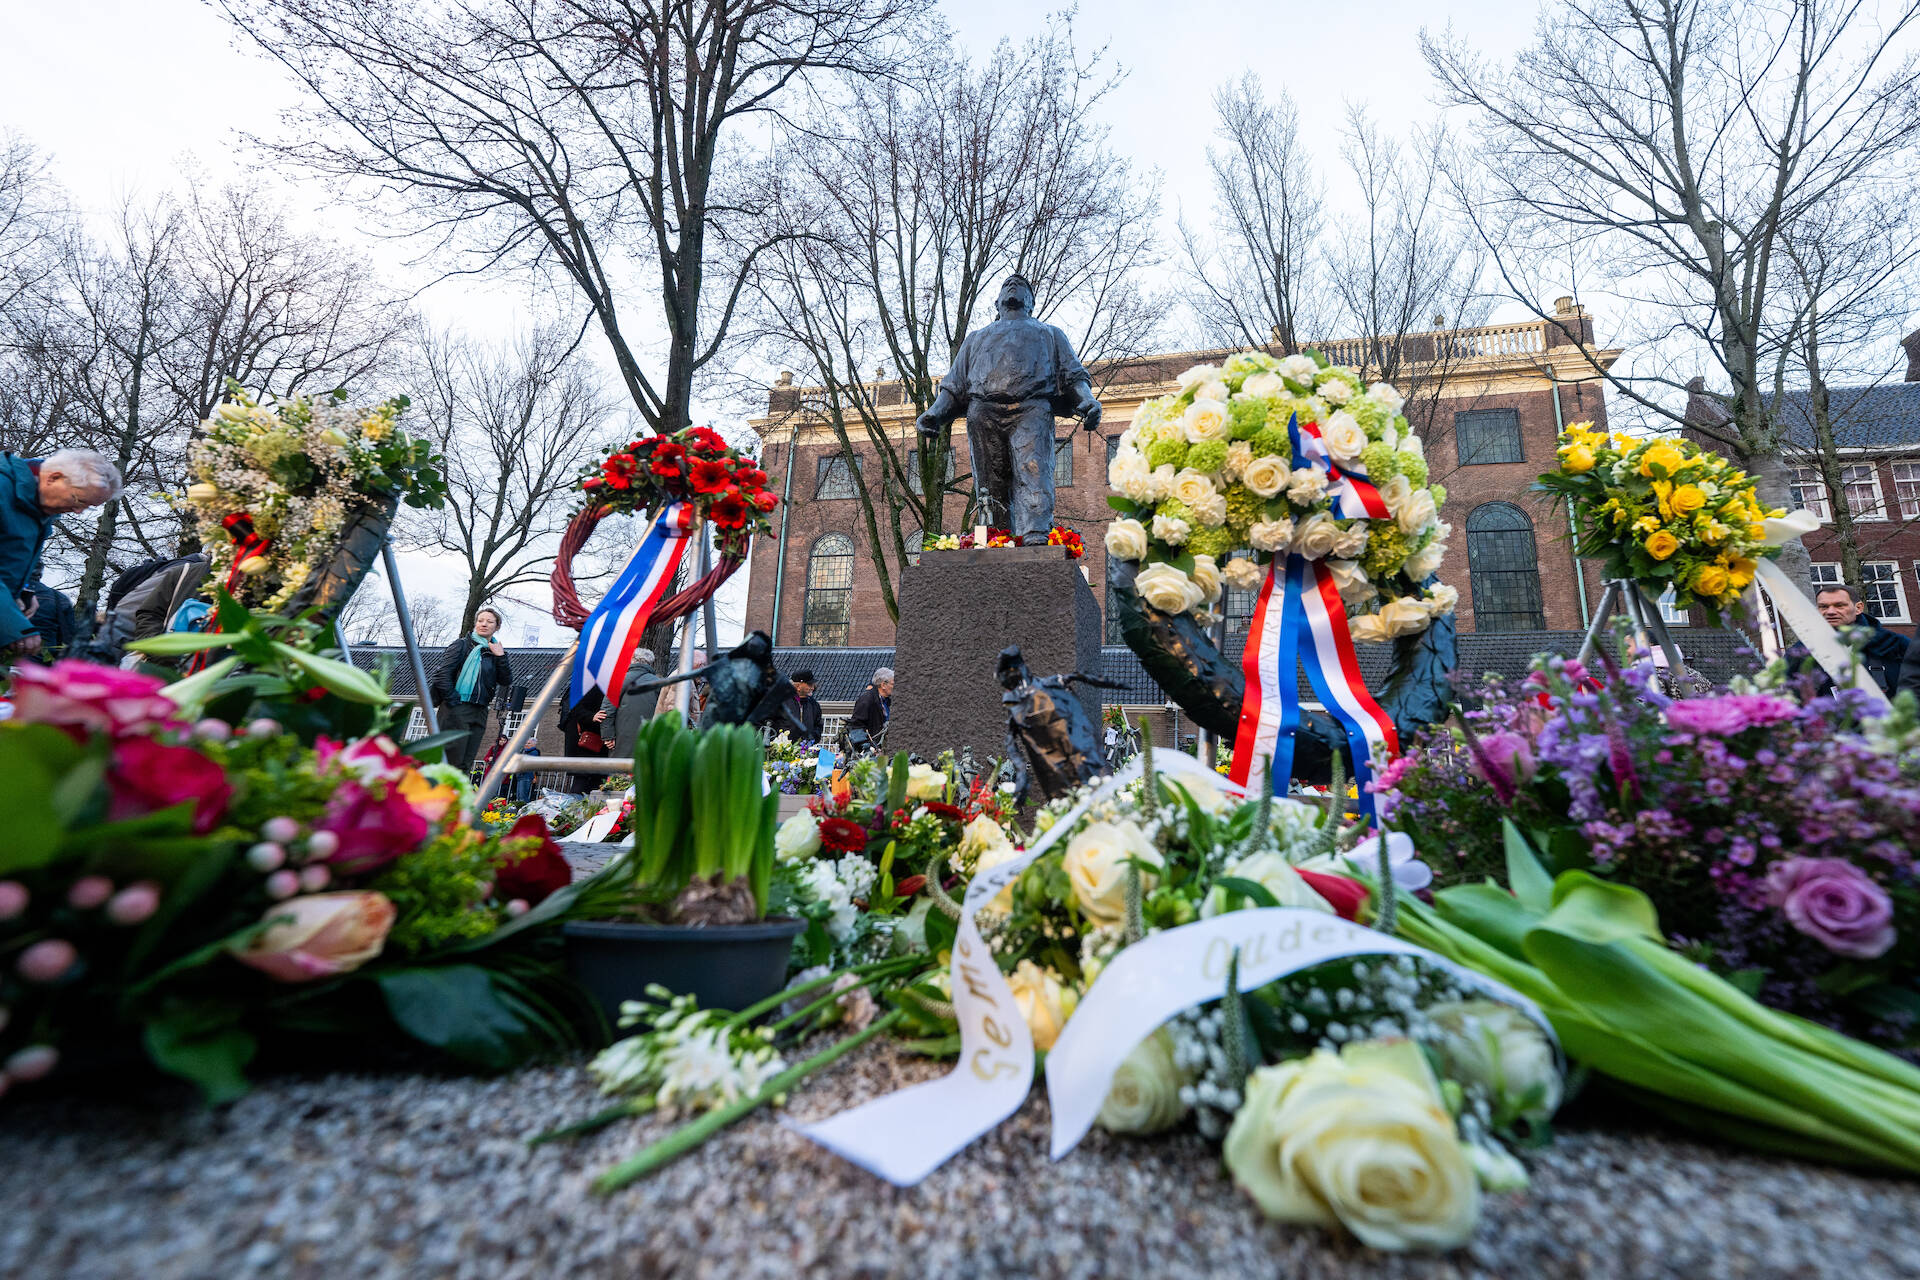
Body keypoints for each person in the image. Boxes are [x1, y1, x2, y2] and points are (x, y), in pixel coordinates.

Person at [1, 448, 123, 658]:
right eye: (79, 500)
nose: (78, 512)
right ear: (54, 478)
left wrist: (24, 590)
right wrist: (15, 625)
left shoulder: (38, 506)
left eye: (88, 507)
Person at [430, 606, 513, 770]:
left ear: (496, 627)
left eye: (489, 622)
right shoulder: (461, 645)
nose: (484, 624)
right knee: (450, 760)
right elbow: (442, 675)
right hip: (458, 707)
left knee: (466, 762)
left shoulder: (496, 651)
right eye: (480, 620)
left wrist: (500, 657)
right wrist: (454, 700)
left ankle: (458, 795)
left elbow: (505, 680)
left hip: (480, 710)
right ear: (475, 624)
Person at [1813, 583, 1909, 698]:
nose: (1830, 612)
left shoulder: (1896, 645)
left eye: (1839, 605)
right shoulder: (1803, 650)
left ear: (1858, 608)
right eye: (1824, 606)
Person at [559, 686, 612, 793]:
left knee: (591, 779)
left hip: (590, 741)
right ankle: (576, 808)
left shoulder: (588, 683)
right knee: (585, 779)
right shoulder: (589, 684)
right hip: (586, 742)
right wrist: (591, 716)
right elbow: (574, 707)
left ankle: (578, 808)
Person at [20, 579, 76, 660]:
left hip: (8, 657)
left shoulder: (7, 591)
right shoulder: (60, 598)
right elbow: (69, 636)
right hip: (43, 660)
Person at [847, 666, 893, 747]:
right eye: (893, 684)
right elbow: (857, 725)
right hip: (872, 749)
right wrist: (867, 747)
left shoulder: (888, 701)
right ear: (883, 685)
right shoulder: (866, 700)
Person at [786, 668, 824, 743]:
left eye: (813, 684)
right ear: (798, 686)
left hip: (806, 750)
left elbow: (818, 726)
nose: (813, 688)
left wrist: (812, 738)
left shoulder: (814, 705)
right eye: (809, 684)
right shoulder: (782, 702)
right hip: (784, 750)